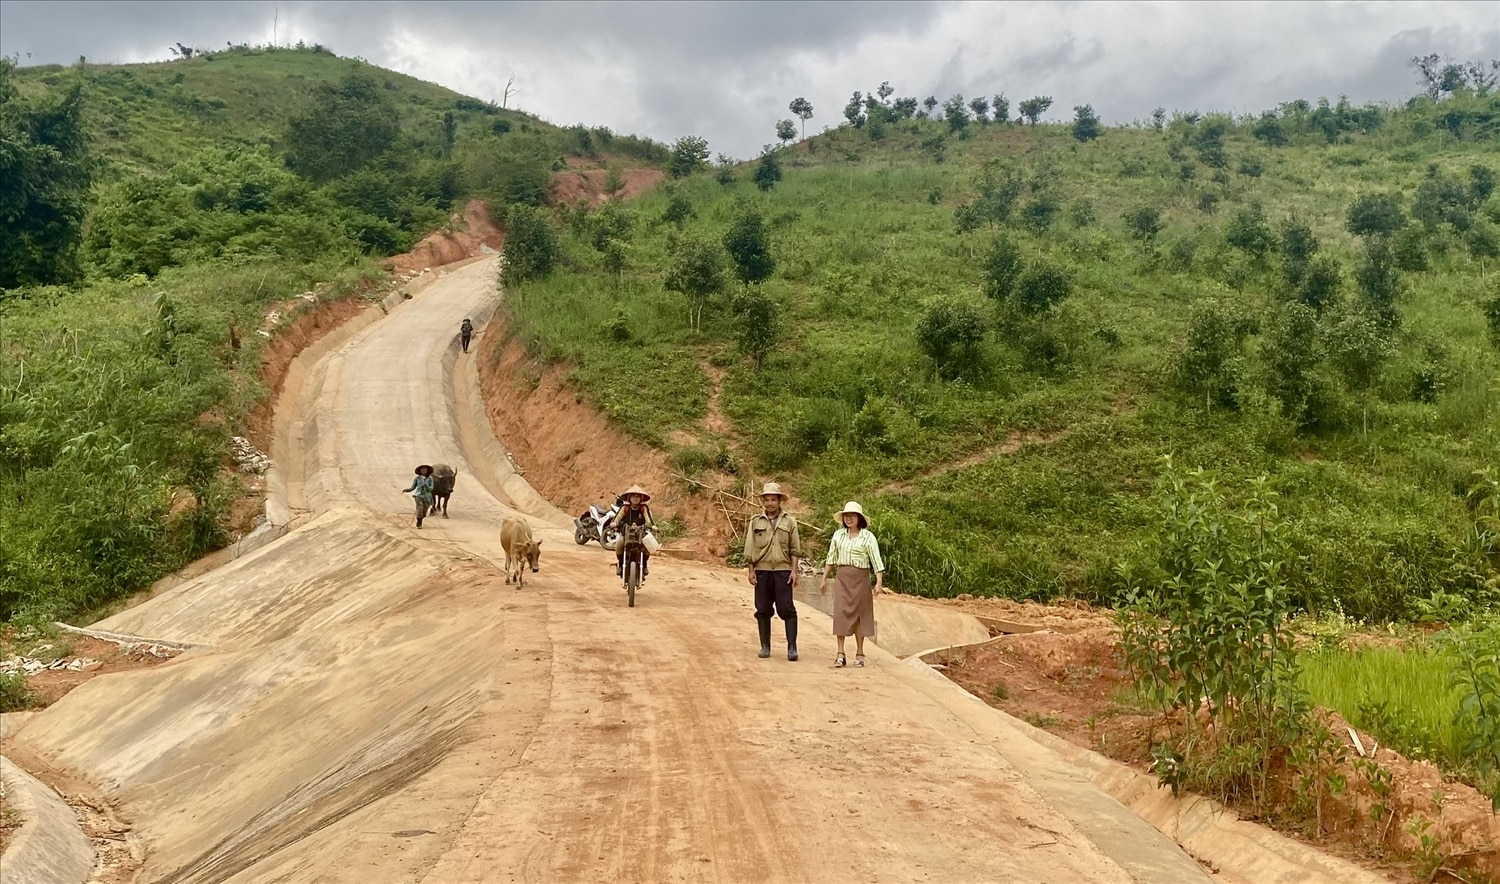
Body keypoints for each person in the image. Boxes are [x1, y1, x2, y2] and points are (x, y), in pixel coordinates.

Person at [817, 501, 885, 668]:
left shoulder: (868, 537)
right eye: (846, 516)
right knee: (841, 613)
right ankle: (840, 653)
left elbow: (876, 561)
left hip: (861, 579)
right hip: (842, 578)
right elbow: (831, 558)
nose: (849, 519)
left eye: (852, 516)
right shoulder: (838, 535)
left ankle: (860, 652)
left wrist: (878, 582)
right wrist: (824, 578)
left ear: (859, 518)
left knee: (860, 616)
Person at [744, 482, 803, 661]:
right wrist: (751, 570)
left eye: (773, 499)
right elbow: (750, 547)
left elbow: (795, 549)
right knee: (762, 609)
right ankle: (765, 646)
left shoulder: (790, 522)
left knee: (786, 608)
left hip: (783, 571)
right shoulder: (756, 521)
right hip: (762, 571)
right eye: (767, 500)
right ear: (763, 501)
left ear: (779, 501)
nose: (770, 503)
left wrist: (794, 571)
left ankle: (792, 647)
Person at [611, 485, 655, 577]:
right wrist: (614, 523)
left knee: (647, 546)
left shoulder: (644, 508)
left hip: (641, 533)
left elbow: (648, 520)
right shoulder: (625, 508)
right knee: (619, 544)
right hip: (626, 533)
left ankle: (645, 565)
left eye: (638, 496)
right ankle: (620, 563)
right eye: (633, 496)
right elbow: (617, 518)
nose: (635, 498)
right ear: (629, 497)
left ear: (641, 498)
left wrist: (651, 526)